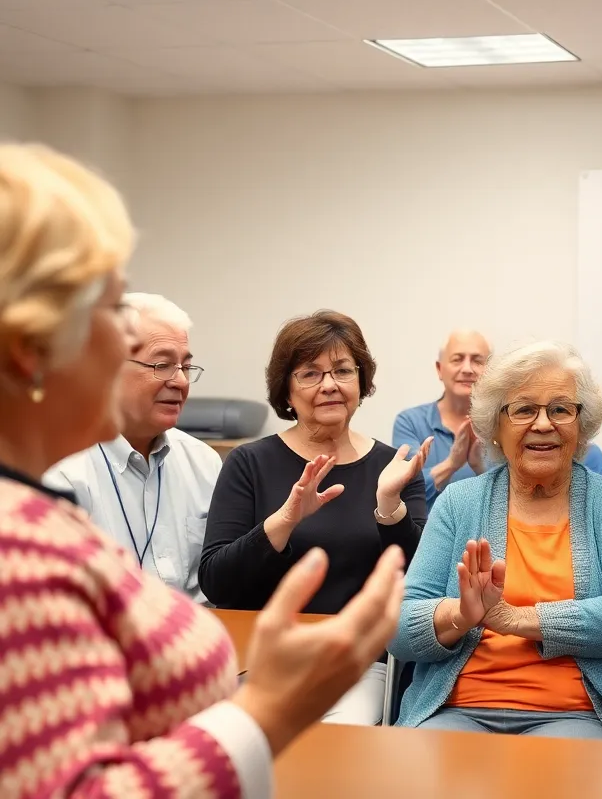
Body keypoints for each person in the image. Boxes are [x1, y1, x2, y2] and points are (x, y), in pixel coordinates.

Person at [0, 142, 404, 798]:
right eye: (111, 311)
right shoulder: (18, 552)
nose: (173, 376)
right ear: (30, 348)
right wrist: (269, 712)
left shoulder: (45, 514)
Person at [391, 342, 602, 740]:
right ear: (495, 428)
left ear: (581, 425)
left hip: (576, 715)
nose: (543, 424)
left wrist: (517, 619)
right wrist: (461, 615)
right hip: (457, 710)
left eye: (560, 409)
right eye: (523, 410)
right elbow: (398, 628)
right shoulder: (459, 501)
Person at [200, 310, 430, 726]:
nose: (329, 385)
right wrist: (285, 520)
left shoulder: (395, 467)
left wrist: (388, 506)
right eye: (310, 373)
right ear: (287, 391)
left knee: (332, 739)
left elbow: (419, 581)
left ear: (361, 382)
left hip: (352, 663)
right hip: (257, 659)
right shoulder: (248, 462)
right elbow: (217, 581)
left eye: (342, 370)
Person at [44, 292, 220, 604]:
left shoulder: (204, 462)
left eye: (186, 366)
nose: (180, 381)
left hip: (200, 628)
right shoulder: (60, 471)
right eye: (162, 365)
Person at [392, 329, 491, 507]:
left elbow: (515, 495)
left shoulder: (503, 424)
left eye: (477, 361)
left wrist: (480, 468)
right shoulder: (410, 422)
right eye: (457, 359)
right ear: (439, 369)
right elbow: (405, 491)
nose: (467, 369)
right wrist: (451, 464)